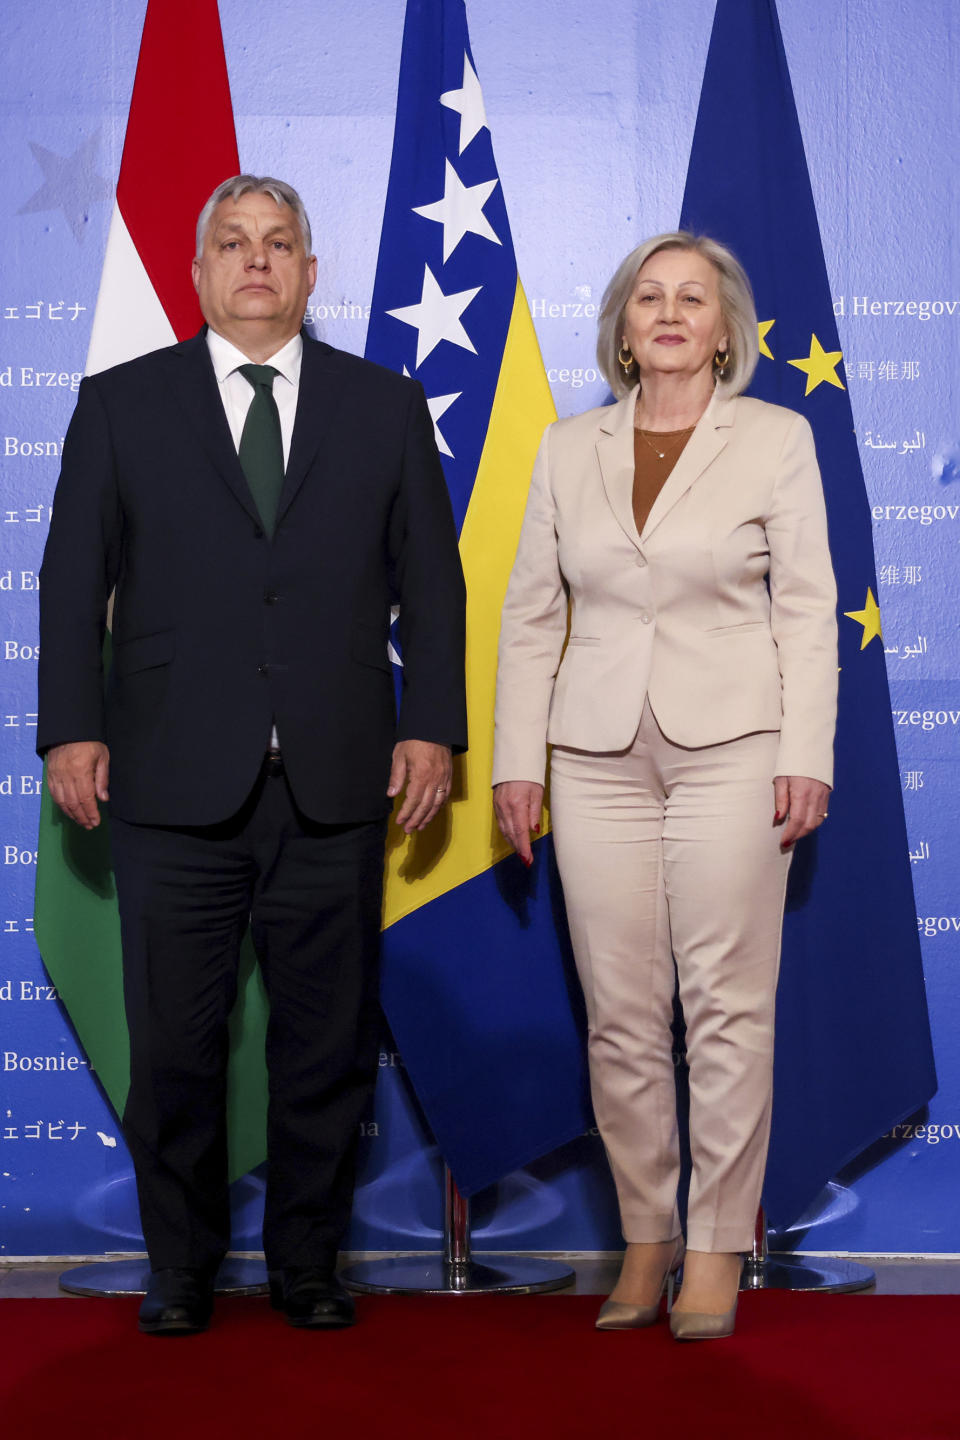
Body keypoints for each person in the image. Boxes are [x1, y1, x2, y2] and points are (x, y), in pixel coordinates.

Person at [38, 175, 467, 1335]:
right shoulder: (123, 404)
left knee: (324, 1050)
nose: (258, 262)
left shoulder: (384, 405)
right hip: (169, 781)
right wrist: (73, 726)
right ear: (199, 272)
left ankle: (308, 1266)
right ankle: (179, 1266)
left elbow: (433, 585)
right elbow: (74, 581)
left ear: (312, 273)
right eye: (233, 243)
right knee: (175, 1048)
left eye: (281, 244)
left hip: (335, 779)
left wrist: (431, 722)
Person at [493, 232, 836, 1341]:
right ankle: (645, 1233)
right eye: (651, 296)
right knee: (622, 1015)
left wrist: (808, 753)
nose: (672, 311)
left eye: (694, 297)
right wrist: (515, 759)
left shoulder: (777, 440)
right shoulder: (566, 447)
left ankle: (717, 1245)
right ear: (624, 327)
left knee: (726, 1006)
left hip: (736, 742)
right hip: (592, 755)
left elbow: (805, 611)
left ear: (726, 327)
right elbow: (532, 615)